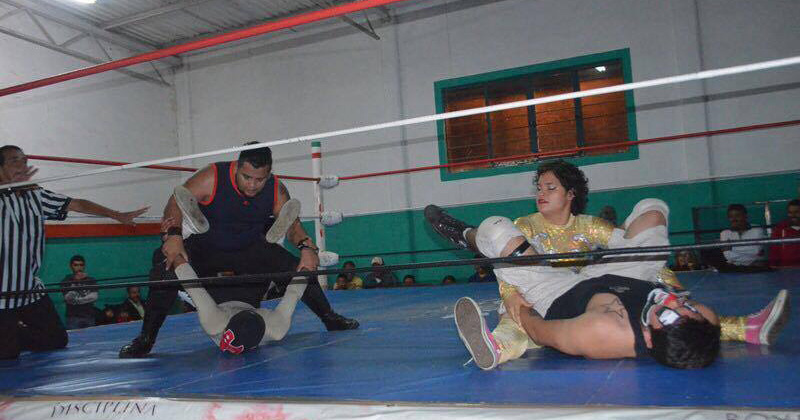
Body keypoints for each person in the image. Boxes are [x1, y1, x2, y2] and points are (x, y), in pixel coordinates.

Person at [425, 159, 788, 354]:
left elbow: (634, 251)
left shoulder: (590, 227)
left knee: (650, 212)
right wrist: (511, 298)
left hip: (569, 288)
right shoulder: (526, 225)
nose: (541, 193)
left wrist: (664, 280)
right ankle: (467, 239)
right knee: (652, 210)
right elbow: (642, 258)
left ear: (571, 194)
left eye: (550, 187)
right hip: (580, 281)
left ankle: (500, 342)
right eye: (539, 187)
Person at [119, 143, 358, 358]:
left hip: (250, 248)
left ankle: (329, 317)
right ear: (237, 167)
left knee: (297, 265)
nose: (252, 185)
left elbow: (292, 225)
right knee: (166, 266)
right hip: (207, 247)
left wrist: (306, 246)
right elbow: (176, 202)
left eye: (259, 179)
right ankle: (146, 338)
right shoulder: (212, 176)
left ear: (269, 174)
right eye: (247, 177)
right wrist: (173, 235)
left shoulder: (276, 189)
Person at [454, 216, 787, 369]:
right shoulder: (695, 319)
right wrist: (623, 246)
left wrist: (512, 296)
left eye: (668, 315)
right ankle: (748, 329)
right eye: (688, 308)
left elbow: (541, 331)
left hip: (556, 292)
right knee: (653, 214)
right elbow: (691, 319)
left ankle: (466, 235)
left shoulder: (604, 332)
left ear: (649, 338)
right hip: (613, 276)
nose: (674, 303)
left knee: (496, 231)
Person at [0, 145, 147, 360]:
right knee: (8, 354)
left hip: (29, 289)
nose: (22, 165)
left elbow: (77, 204)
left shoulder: (35, 195)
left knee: (56, 339)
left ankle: (11, 336)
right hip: (1, 294)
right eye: (14, 161)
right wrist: (7, 188)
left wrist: (116, 214)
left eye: (24, 160)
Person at [174, 257, 308, 354]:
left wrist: (175, 253)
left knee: (177, 265)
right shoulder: (276, 329)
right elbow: (294, 292)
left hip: (218, 294)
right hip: (250, 295)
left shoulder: (214, 323)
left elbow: (192, 284)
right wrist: (308, 263)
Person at [60, 255, 99, 329]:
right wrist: (76, 281)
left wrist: (76, 301)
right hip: (72, 317)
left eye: (81, 265)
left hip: (89, 316)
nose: (79, 267)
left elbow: (94, 297)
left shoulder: (91, 280)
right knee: (74, 336)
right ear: (71, 266)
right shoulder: (66, 281)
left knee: (91, 336)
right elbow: (68, 298)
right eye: (76, 265)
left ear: (84, 266)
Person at [769, 199, 800, 267]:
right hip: (786, 269)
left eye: (797, 212)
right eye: (790, 212)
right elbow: (774, 253)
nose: (793, 215)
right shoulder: (779, 228)